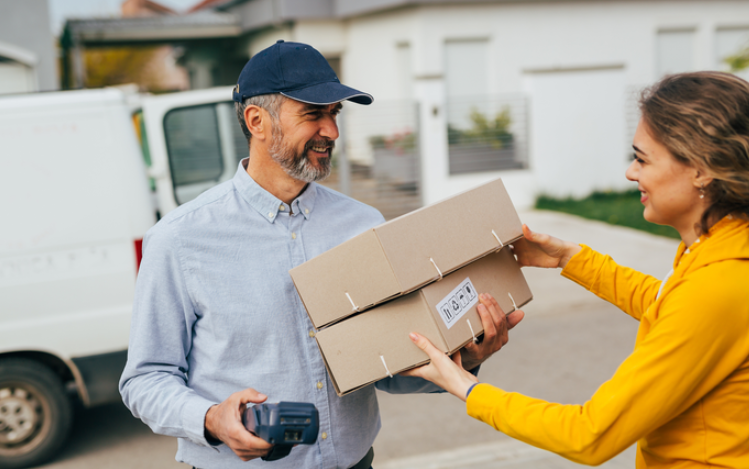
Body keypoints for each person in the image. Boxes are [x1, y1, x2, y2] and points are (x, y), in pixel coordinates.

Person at [119, 40, 520, 469]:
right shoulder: (180, 240)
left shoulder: (363, 224)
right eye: (314, 114)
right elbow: (145, 379)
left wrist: (467, 358)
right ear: (257, 121)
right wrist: (211, 418)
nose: (332, 131)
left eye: (335, 113)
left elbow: (387, 367)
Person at [403, 71, 749, 467]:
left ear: (702, 169)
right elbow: (669, 306)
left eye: (641, 158)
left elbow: (589, 435)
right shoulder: (721, 247)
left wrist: (465, 386)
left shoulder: (716, 287)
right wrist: (571, 258)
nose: (630, 172)